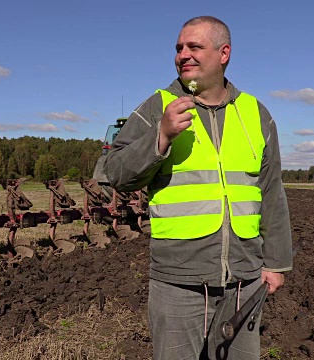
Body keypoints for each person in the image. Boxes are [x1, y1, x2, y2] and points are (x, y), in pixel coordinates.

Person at [103, 16, 293, 360]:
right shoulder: (157, 107)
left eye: (194, 47)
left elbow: (271, 191)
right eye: (179, 48)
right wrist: (160, 136)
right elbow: (115, 172)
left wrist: (277, 263)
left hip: (244, 281)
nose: (183, 55)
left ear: (224, 53)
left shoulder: (256, 113)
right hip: (179, 281)